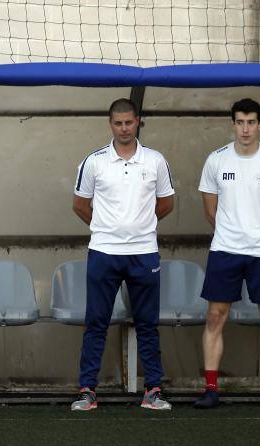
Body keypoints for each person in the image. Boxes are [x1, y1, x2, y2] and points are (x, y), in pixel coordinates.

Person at [70, 98, 175, 411]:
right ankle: (87, 390)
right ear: (110, 124)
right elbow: (80, 205)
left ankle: (153, 390)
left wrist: (140, 228)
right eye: (118, 123)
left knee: (147, 324)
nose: (124, 128)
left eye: (129, 122)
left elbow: (166, 203)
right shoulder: (94, 162)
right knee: (96, 323)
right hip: (104, 253)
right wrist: (108, 230)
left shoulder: (155, 160)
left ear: (138, 121)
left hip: (144, 254)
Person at [193, 98, 260, 409]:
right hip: (225, 250)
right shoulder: (216, 160)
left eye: (251, 122)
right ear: (233, 124)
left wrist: (257, 236)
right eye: (240, 122)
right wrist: (233, 234)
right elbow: (210, 211)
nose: (245, 129)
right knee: (215, 316)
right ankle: (211, 389)